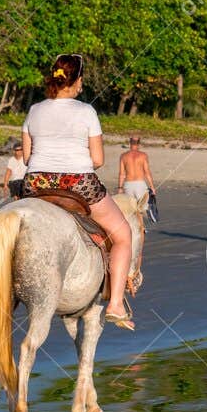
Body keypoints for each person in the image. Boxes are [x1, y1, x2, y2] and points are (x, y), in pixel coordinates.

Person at [21, 54, 134, 330]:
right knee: (123, 235)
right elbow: (98, 160)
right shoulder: (86, 111)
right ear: (78, 80)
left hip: (36, 182)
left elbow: (26, 158)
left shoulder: (34, 110)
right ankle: (116, 304)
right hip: (78, 183)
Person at [116, 134, 156, 204]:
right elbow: (147, 173)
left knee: (131, 208)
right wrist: (152, 187)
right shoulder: (143, 155)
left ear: (130, 143)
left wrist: (120, 188)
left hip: (128, 185)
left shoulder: (123, 156)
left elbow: (122, 174)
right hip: (140, 184)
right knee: (142, 207)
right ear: (139, 144)